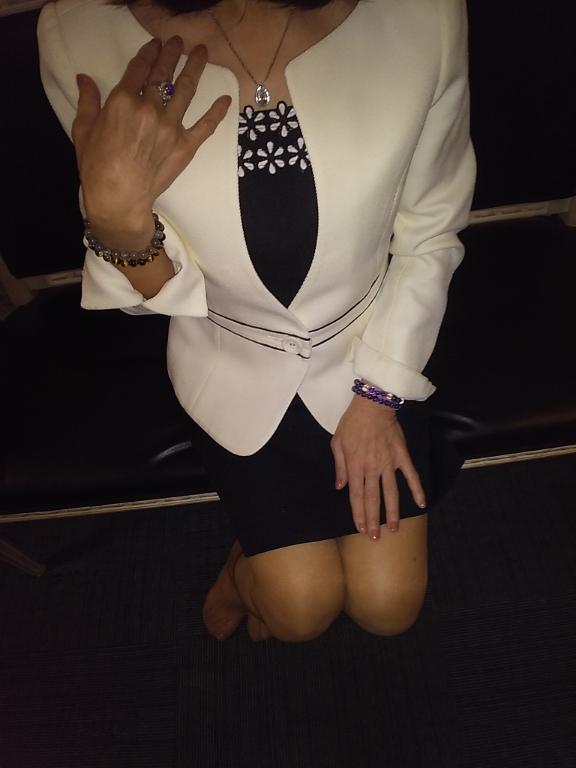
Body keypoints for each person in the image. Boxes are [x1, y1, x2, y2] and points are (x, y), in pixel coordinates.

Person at [38, 0, 476, 643]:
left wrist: (379, 397)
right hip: (230, 365)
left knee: (388, 607)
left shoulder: (422, 13)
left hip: (376, 349)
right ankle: (239, 573)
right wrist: (115, 226)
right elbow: (147, 296)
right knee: (300, 613)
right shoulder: (76, 33)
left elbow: (431, 232)